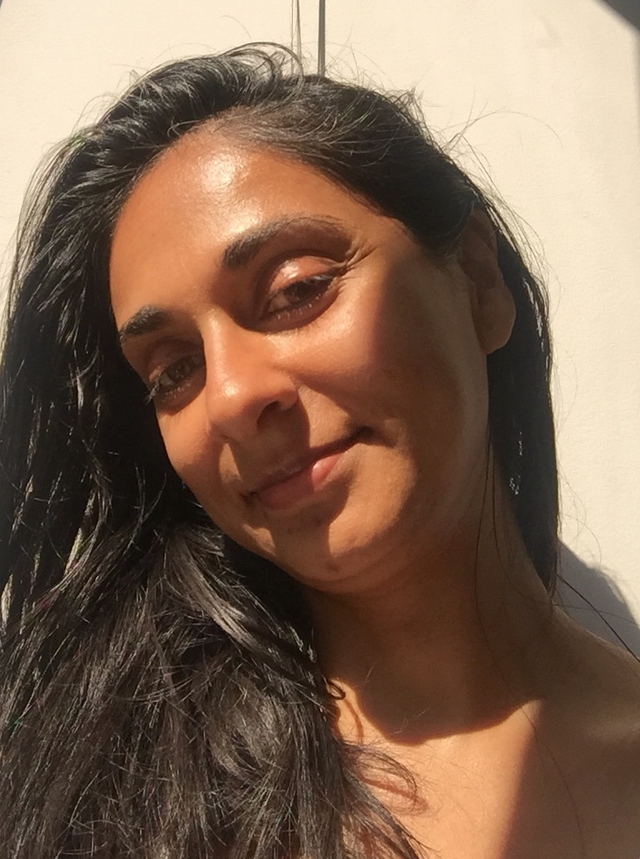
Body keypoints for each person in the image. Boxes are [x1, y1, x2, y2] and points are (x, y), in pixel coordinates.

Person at [0, 45, 639, 859]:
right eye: (174, 370)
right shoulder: (98, 795)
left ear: (479, 281)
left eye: (296, 289)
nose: (231, 398)